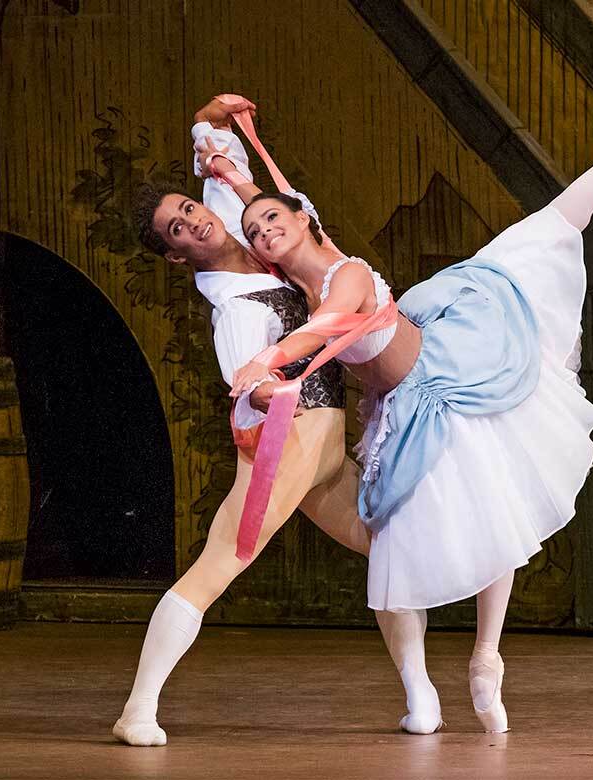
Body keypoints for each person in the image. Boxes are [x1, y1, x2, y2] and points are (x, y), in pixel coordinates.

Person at [228, 90, 593, 733]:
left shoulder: (342, 274)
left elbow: (323, 328)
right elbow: (264, 220)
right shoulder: (293, 277)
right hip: (397, 408)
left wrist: (267, 363)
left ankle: (486, 657)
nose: (264, 229)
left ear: (304, 218)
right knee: (393, 559)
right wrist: (227, 160)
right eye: (256, 229)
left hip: (445, 369)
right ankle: (419, 692)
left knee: (534, 239)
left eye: (274, 219)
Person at [113, 97, 439, 747]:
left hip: (322, 453)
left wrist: (209, 116)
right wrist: (263, 390)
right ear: (176, 257)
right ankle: (136, 710)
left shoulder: (232, 211)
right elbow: (250, 379)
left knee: (394, 550)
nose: (193, 222)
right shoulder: (235, 308)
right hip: (284, 450)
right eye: (178, 230)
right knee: (220, 564)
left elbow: (215, 141)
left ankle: (420, 695)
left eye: (188, 209)